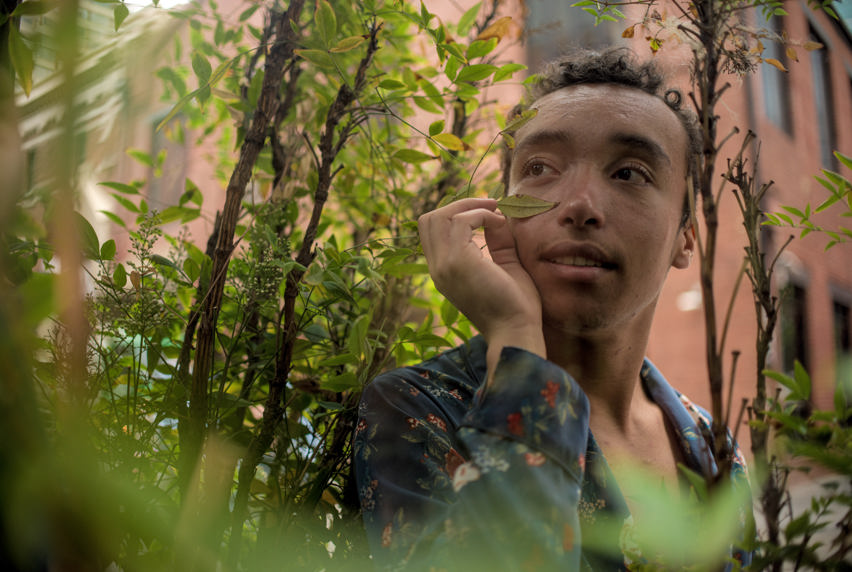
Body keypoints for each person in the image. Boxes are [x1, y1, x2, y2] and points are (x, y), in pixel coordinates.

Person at [353, 47, 752, 570]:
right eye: (540, 168)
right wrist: (515, 336)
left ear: (686, 237)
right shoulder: (419, 409)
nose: (579, 206)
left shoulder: (712, 446)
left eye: (629, 173)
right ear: (504, 212)